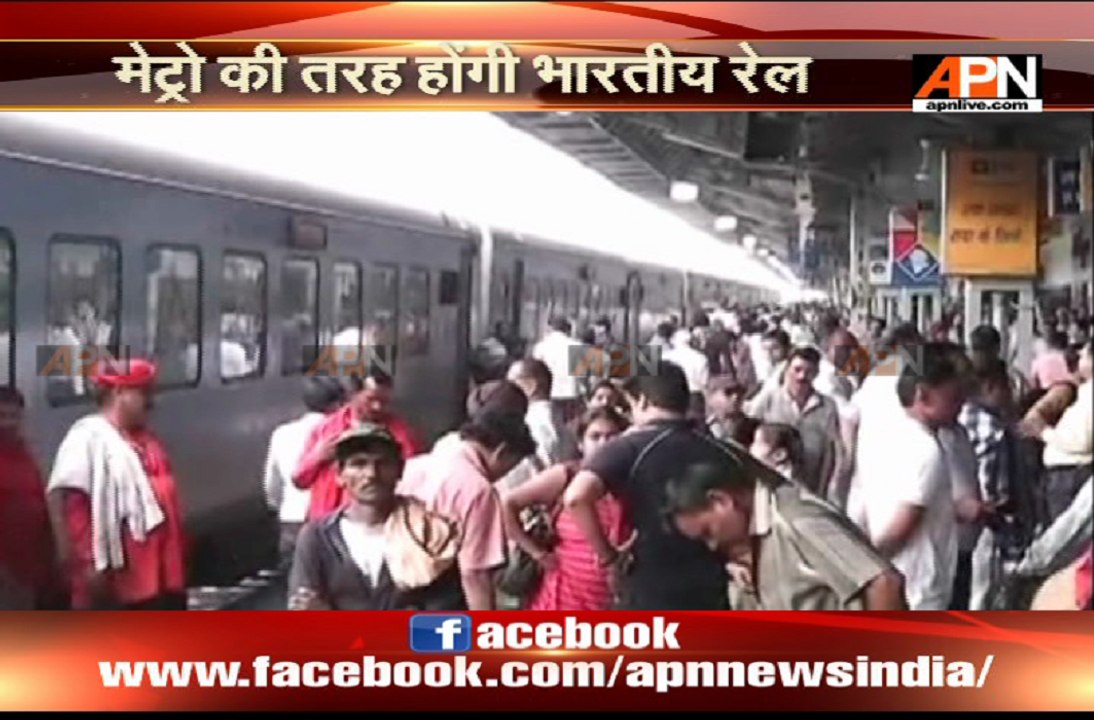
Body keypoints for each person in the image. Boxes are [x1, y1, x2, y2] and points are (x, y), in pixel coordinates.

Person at [562, 363, 734, 610]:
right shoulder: (719, 450)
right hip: (710, 582)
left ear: (641, 401)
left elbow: (576, 497)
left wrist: (608, 556)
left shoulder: (629, 447)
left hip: (650, 581)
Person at [664, 458, 906, 611]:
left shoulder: (797, 520)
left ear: (721, 501)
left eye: (708, 533)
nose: (712, 545)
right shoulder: (745, 549)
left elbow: (883, 582)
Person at [47, 359, 186, 610]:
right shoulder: (88, 441)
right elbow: (75, 512)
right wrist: (90, 565)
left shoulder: (147, 440)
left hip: (162, 576)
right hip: (122, 581)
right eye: (143, 392)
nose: (151, 402)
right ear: (118, 392)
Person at [288, 425, 465, 611]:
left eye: (383, 463)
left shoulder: (430, 534)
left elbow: (447, 625)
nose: (371, 474)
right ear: (340, 475)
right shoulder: (318, 538)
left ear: (400, 471)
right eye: (358, 464)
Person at [860, 343, 970, 610]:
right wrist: (869, 564)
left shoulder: (887, 436)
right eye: (953, 398)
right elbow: (902, 527)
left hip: (897, 581)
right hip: (920, 586)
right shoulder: (926, 449)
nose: (961, 406)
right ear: (923, 395)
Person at [399, 410, 537, 610]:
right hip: (439, 597)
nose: (504, 474)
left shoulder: (415, 466)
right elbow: (474, 573)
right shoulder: (477, 489)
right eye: (510, 466)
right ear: (501, 452)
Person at [500, 407, 632, 611]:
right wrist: (538, 554)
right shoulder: (567, 475)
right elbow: (509, 504)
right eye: (595, 437)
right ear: (581, 443)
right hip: (562, 600)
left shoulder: (628, 479)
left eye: (611, 436)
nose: (604, 443)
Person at [293, 368, 424, 521]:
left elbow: (415, 482)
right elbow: (299, 479)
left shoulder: (401, 434)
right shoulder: (325, 429)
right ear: (353, 395)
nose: (378, 407)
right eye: (371, 399)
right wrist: (319, 456)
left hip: (378, 522)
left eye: (384, 402)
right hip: (327, 524)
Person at [263, 376, 346, 560]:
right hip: (328, 518)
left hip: (291, 518)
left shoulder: (282, 433)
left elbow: (272, 484)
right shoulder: (339, 433)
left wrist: (278, 506)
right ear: (338, 403)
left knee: (294, 577)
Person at [745, 346, 843, 501]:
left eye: (808, 372)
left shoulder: (827, 406)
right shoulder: (769, 398)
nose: (801, 376)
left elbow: (830, 452)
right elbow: (748, 431)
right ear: (787, 369)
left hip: (809, 486)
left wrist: (824, 489)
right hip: (772, 486)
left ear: (816, 373)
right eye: (797, 369)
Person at [0, 388, 64, 609]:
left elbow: (40, 502)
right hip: (6, 572)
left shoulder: (24, 453)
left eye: (14, 417)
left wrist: (52, 556)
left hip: (32, 568)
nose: (8, 423)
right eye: (2, 417)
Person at [1020, 339, 1092, 524]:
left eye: (1084, 355)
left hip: (1072, 475)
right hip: (1065, 475)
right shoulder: (1083, 392)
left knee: (1066, 540)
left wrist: (1044, 432)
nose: (1079, 359)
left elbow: (1082, 440)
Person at [706, 376, 749, 443]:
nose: (736, 397)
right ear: (711, 397)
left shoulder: (754, 428)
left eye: (740, 392)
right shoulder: (702, 429)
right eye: (728, 392)